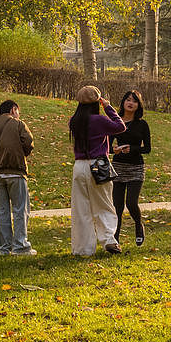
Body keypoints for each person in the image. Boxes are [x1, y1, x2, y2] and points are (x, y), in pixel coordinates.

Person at [69, 85, 126, 256]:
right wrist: (108, 107)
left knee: (81, 209)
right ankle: (109, 240)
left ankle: (83, 248)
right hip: (98, 164)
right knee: (104, 204)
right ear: (97, 101)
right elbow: (120, 126)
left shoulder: (74, 121)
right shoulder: (98, 120)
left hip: (79, 166)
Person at [0, 99, 36, 256]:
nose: (18, 114)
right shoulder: (18, 124)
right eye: (18, 111)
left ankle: (4, 248)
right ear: (13, 109)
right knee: (20, 210)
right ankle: (20, 246)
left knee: (2, 211)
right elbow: (29, 143)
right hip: (16, 172)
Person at [111, 90, 152, 246]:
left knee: (131, 202)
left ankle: (138, 226)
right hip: (118, 167)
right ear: (123, 102)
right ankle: (115, 237)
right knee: (117, 206)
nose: (130, 103)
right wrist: (113, 150)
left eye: (134, 101)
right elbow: (107, 146)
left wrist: (133, 149)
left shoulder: (142, 124)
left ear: (138, 105)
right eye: (128, 99)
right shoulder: (116, 122)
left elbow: (147, 148)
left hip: (136, 168)